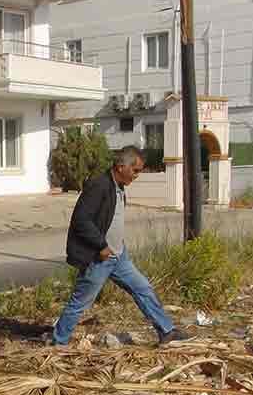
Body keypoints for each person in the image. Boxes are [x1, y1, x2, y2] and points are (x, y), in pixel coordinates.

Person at [51, 145, 191, 347]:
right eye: (135, 170)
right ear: (120, 166)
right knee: (81, 301)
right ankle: (59, 342)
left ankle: (166, 331)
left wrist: (117, 245)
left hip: (118, 256)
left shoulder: (119, 187)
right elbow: (81, 220)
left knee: (143, 288)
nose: (137, 175)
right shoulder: (99, 186)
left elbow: (110, 219)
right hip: (99, 257)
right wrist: (101, 246)